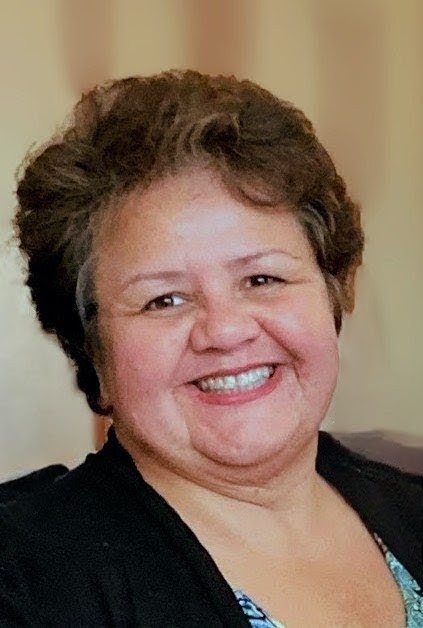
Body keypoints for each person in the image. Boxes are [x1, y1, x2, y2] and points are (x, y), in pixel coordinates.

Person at [0, 70, 421, 627]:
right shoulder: (23, 582)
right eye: (164, 300)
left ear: (331, 292)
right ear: (92, 348)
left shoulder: (413, 507)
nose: (225, 331)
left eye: (263, 279)